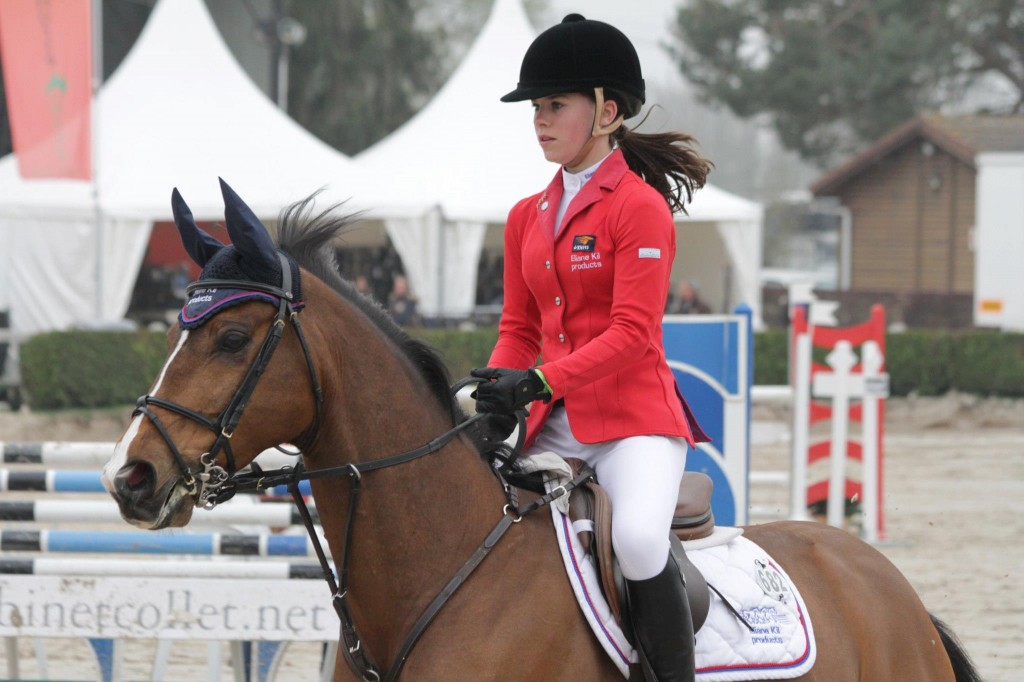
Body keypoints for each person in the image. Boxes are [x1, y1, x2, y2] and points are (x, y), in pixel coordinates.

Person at [470, 14, 710, 682]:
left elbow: (633, 335)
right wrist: (499, 389)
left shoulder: (638, 209)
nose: (539, 120)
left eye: (554, 105)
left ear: (606, 111)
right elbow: (519, 328)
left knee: (636, 540)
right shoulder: (526, 215)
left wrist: (540, 383)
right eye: (536, 108)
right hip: (552, 427)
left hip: (633, 425)